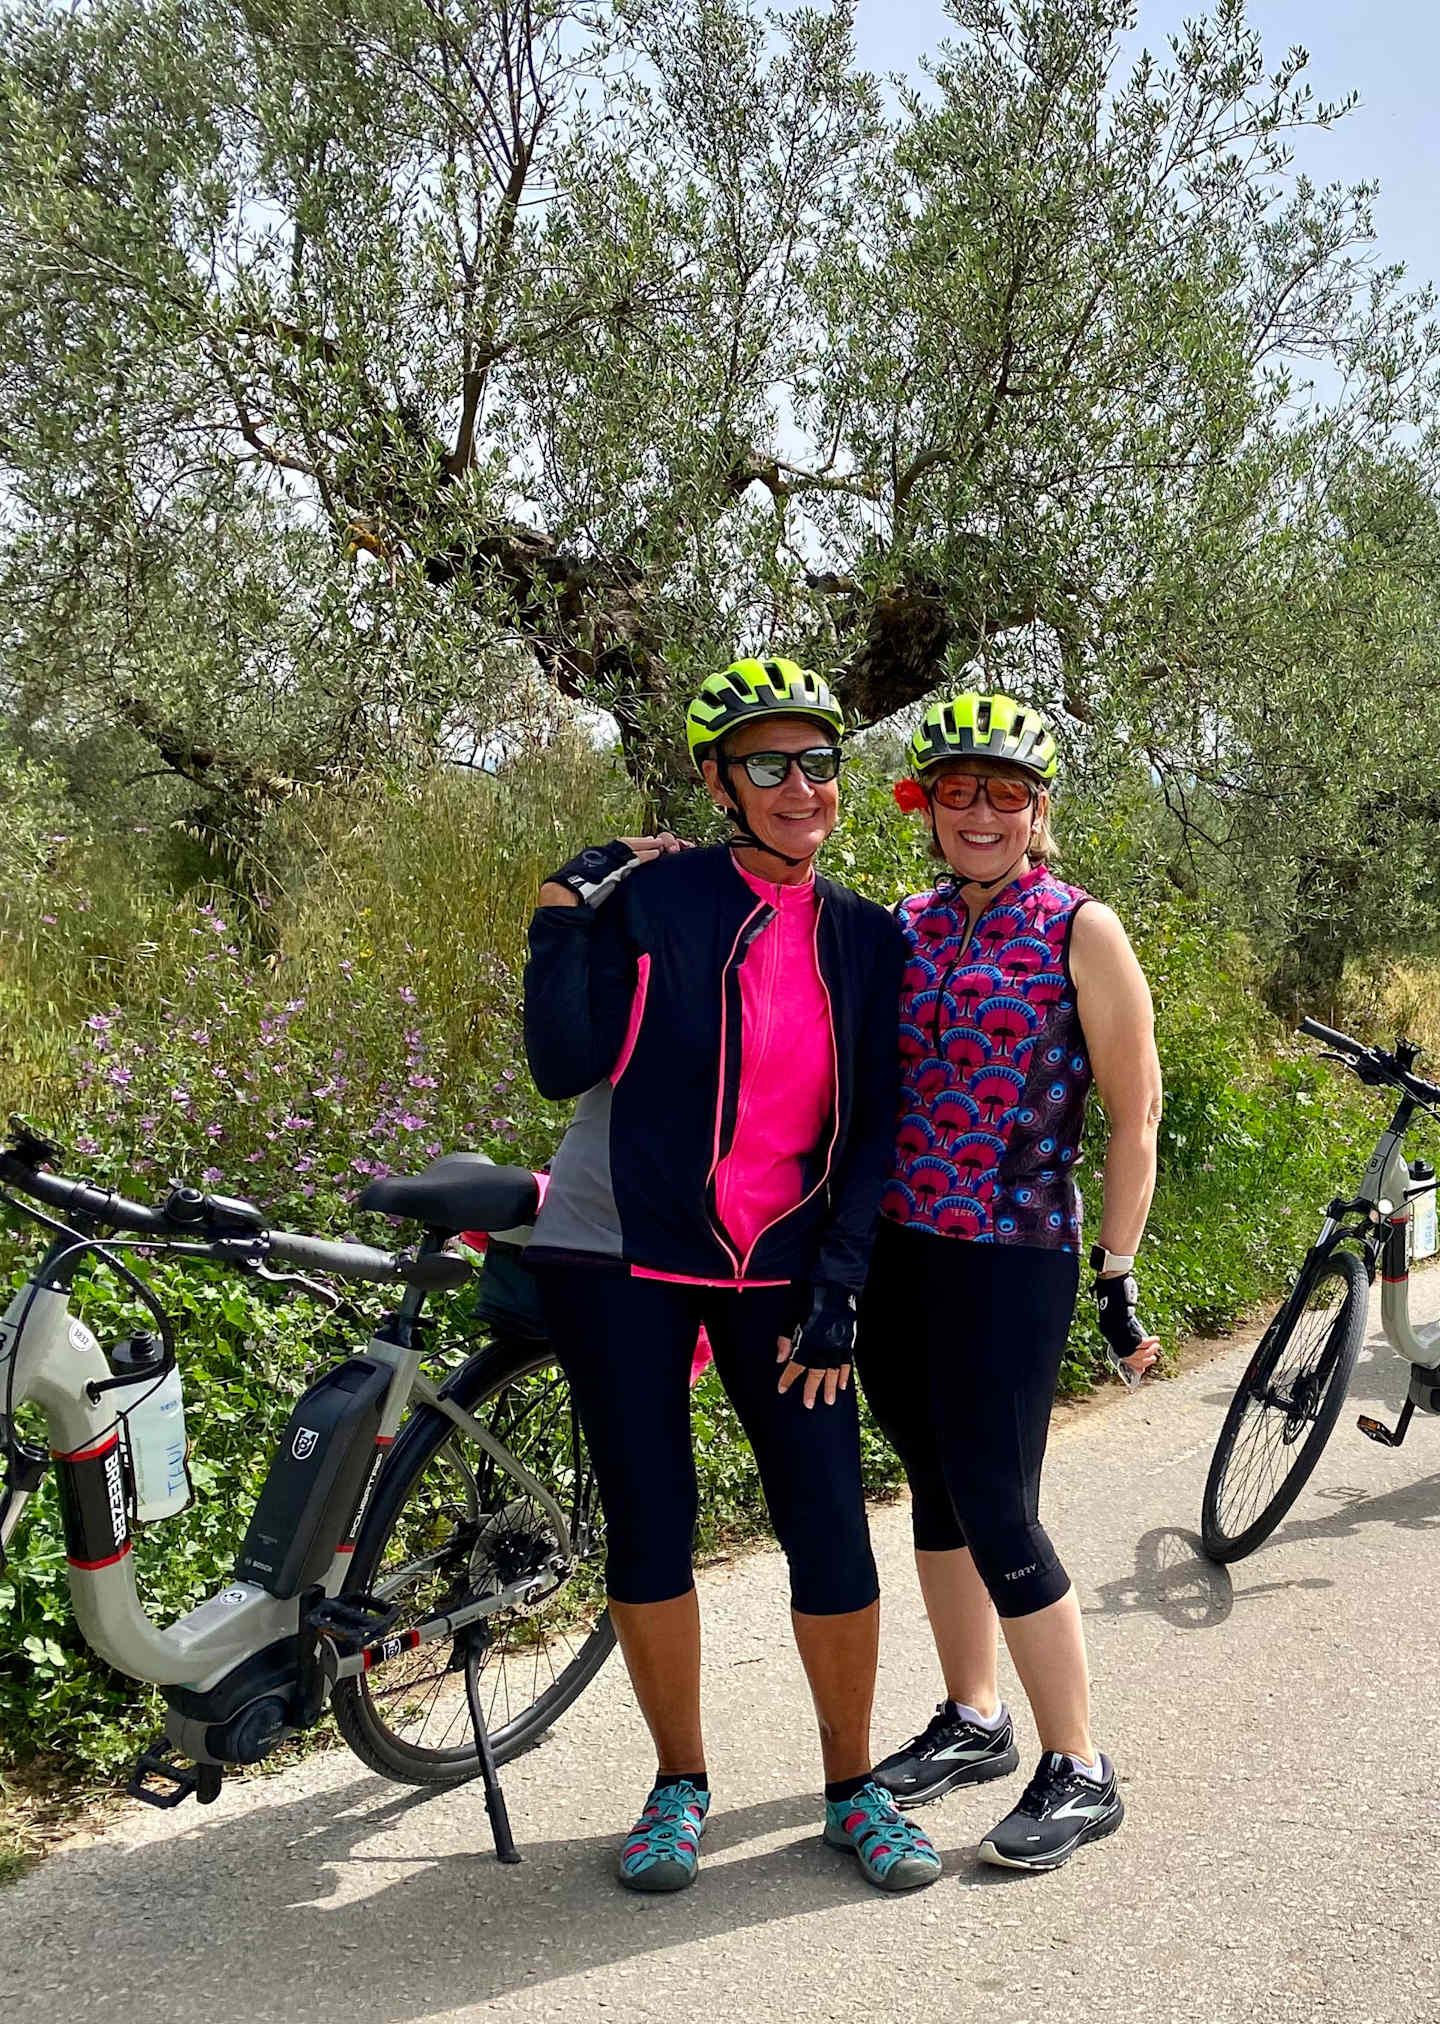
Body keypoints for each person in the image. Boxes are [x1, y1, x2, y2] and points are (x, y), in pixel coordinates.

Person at [522, 657, 941, 1894]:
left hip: (785, 1263)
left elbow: (874, 1129)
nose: (801, 785)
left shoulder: (870, 934)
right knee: (653, 1514)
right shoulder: (658, 900)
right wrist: (562, 915)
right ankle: (678, 1783)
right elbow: (564, 1062)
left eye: (819, 762)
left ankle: (853, 1787)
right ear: (719, 780)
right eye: (769, 763)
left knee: (824, 1513)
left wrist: (842, 1283)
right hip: (625, 1251)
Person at [859, 689, 1162, 1872]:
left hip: (1014, 1252)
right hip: (898, 1249)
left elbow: (1136, 1116)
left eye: (1005, 792)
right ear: (926, 807)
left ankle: (1080, 1764)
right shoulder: (908, 922)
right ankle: (974, 1714)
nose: (979, 811)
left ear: (1039, 811)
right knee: (934, 1484)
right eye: (956, 791)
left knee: (999, 1502)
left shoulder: (1082, 926)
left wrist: (1119, 1273)